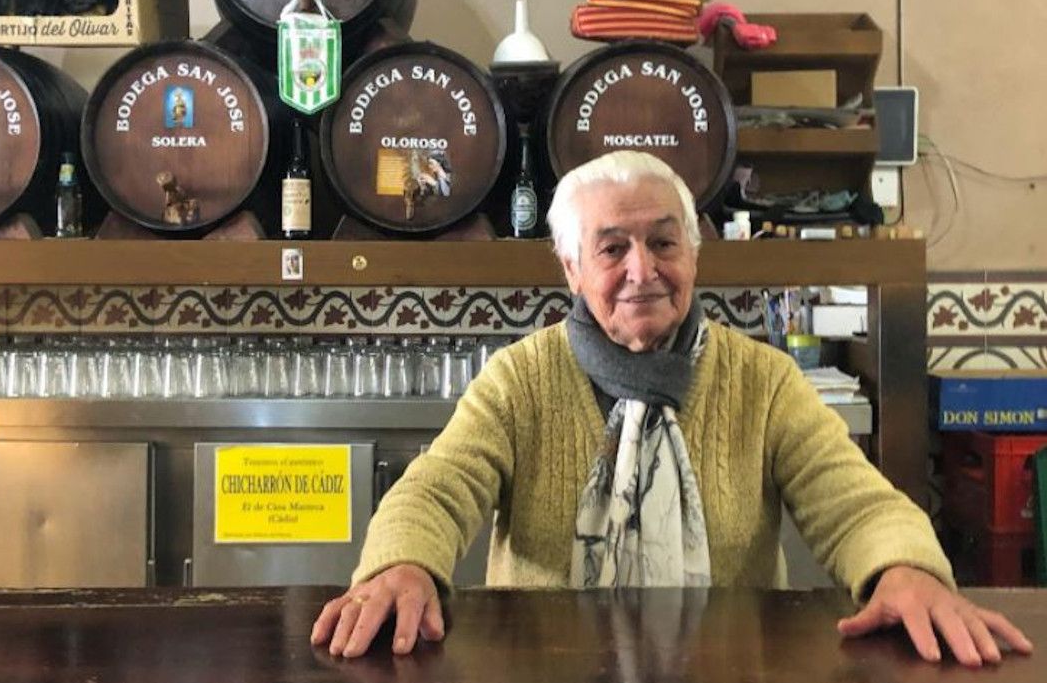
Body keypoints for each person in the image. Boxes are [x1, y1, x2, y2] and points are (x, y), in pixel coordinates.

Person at [311, 150, 1034, 666]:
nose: (642, 270)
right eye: (612, 247)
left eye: (663, 241)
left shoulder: (764, 380)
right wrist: (401, 564)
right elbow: (439, 487)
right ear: (570, 266)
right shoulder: (519, 379)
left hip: (728, 664)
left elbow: (856, 502)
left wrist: (903, 569)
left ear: (694, 252)